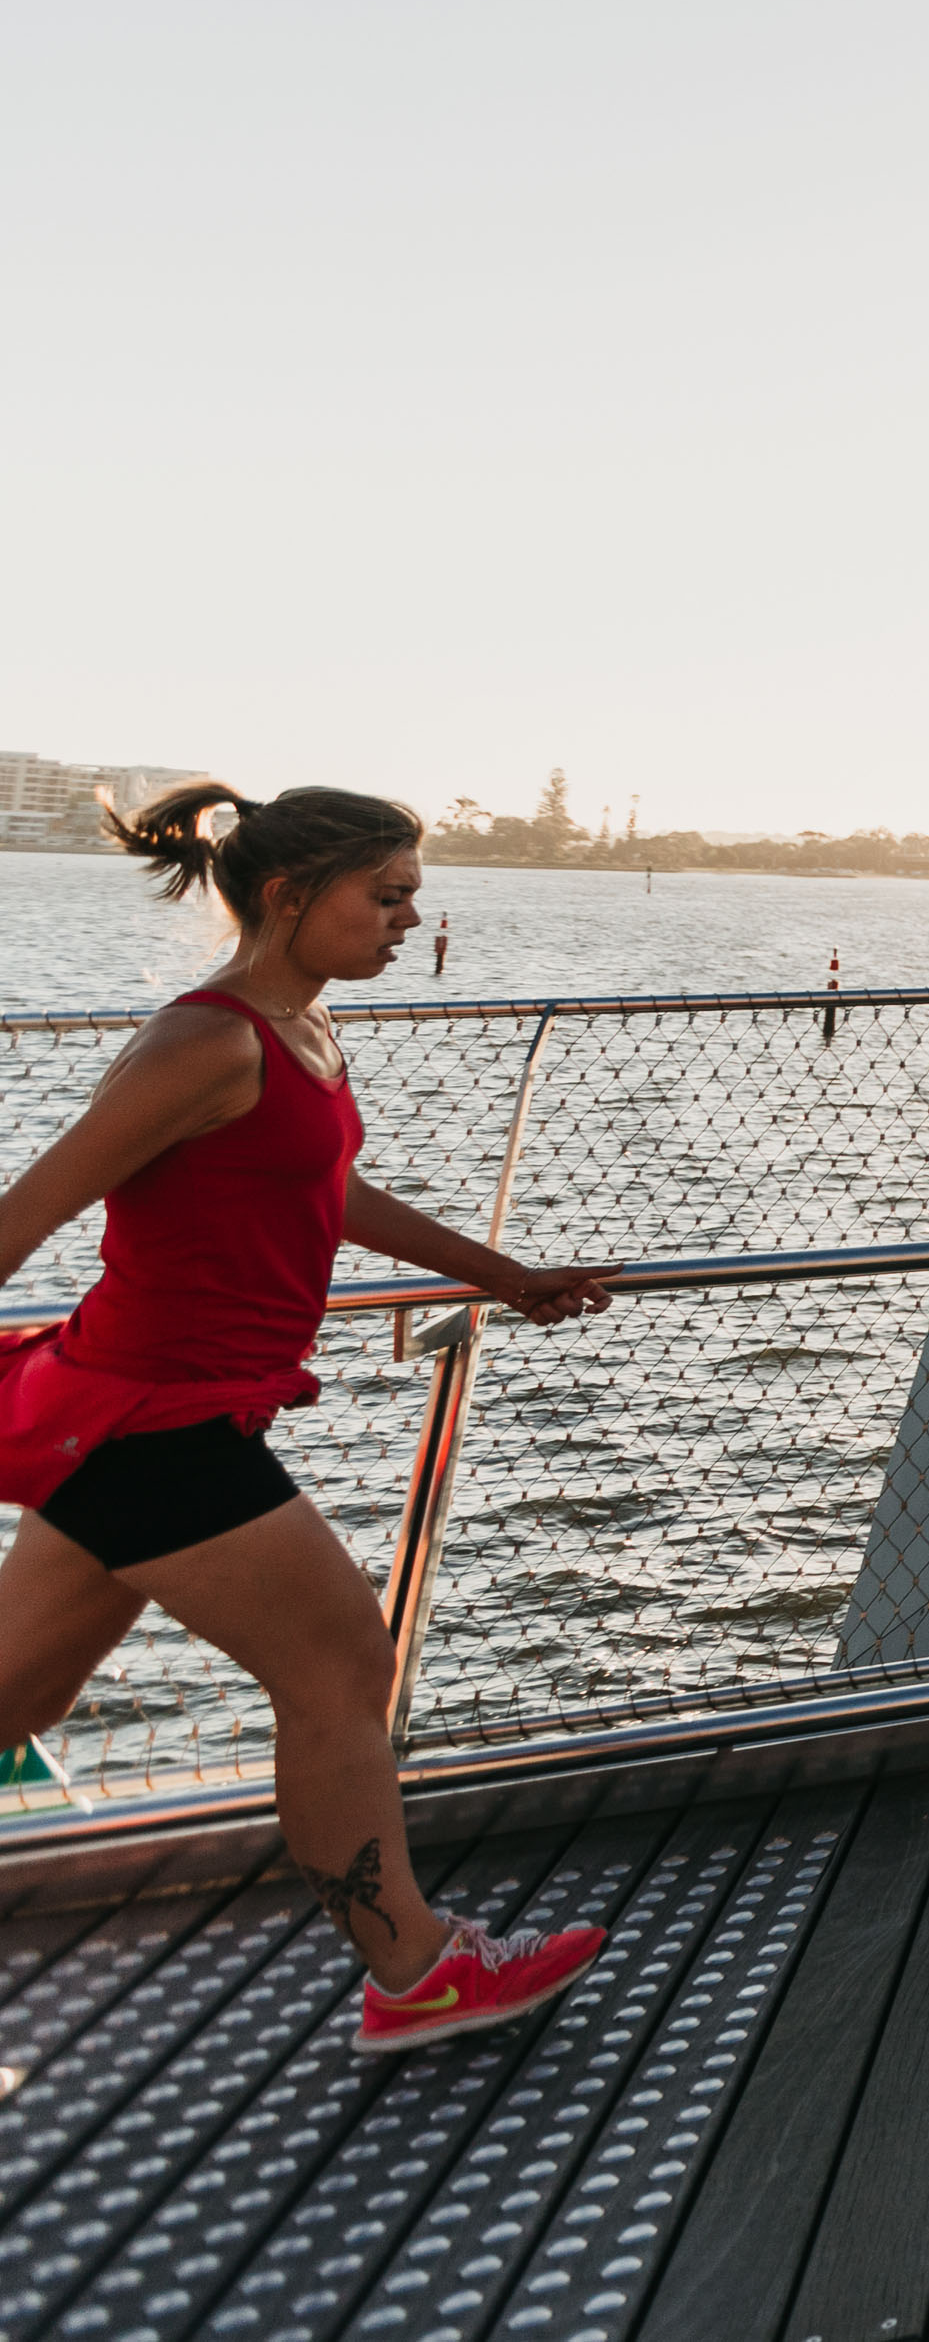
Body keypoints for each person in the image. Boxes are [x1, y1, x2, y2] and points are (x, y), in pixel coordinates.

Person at [0, 784, 619, 2049]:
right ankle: (417, 1972)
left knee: (17, 1696)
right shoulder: (207, 1042)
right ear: (289, 896)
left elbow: (324, 1190)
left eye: (411, 897)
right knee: (339, 1669)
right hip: (148, 1422)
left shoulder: (299, 1032)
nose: (408, 920)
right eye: (385, 896)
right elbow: (33, 1208)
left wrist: (504, 1277)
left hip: (166, 1413)